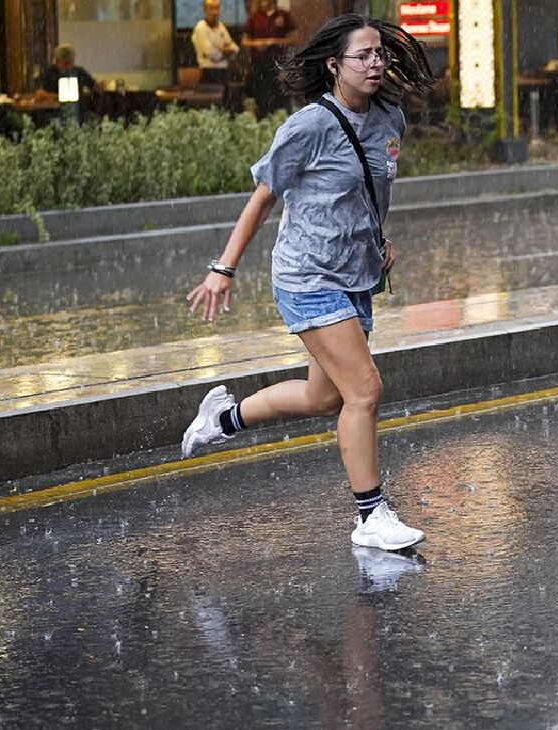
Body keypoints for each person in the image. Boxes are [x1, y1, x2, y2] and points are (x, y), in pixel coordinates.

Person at [182, 14, 436, 552]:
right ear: (333, 65)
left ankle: (221, 420)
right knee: (364, 391)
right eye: (362, 55)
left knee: (325, 397)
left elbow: (368, 192)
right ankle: (370, 515)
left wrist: (377, 239)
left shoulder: (390, 119)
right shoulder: (308, 126)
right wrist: (223, 268)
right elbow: (263, 198)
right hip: (308, 275)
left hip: (356, 276)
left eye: (379, 54)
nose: (375, 63)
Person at [243, 0, 297, 117]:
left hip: (279, 63)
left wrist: (274, 42)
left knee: (282, 95)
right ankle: (262, 121)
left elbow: (293, 39)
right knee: (261, 96)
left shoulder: (283, 15)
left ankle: (283, 121)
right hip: (259, 63)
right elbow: (245, 41)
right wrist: (258, 43)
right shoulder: (254, 17)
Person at [193, 0, 240, 85]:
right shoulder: (201, 28)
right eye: (211, 9)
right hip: (208, 72)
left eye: (217, 8)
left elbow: (235, 49)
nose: (215, 12)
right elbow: (211, 53)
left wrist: (221, 50)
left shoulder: (221, 26)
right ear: (204, 10)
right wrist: (226, 52)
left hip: (224, 73)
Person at [35, 44, 100, 101]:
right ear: (58, 61)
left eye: (71, 63)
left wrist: (100, 86)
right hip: (54, 111)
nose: (69, 67)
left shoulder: (79, 72)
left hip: (78, 111)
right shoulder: (49, 73)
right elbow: (40, 93)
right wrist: (59, 97)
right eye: (66, 63)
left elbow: (93, 86)